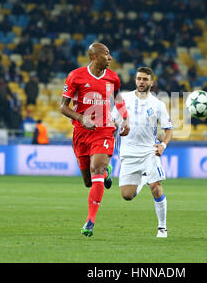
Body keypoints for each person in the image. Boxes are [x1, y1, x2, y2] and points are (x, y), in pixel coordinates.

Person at [60, 43, 130, 237]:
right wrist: (81, 118)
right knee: (88, 181)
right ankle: (106, 172)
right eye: (107, 54)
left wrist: (125, 118)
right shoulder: (76, 76)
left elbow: (118, 100)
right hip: (81, 132)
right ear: (95, 56)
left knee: (96, 169)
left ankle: (90, 221)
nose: (110, 57)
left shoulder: (113, 77)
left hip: (104, 129)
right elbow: (63, 107)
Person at [112, 67, 173, 238]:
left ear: (151, 82)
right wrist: (115, 127)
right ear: (135, 80)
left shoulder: (158, 104)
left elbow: (168, 129)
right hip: (128, 153)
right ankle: (144, 178)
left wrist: (163, 145)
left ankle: (162, 228)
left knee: (156, 188)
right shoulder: (123, 98)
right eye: (139, 78)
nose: (141, 82)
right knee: (127, 195)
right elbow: (112, 121)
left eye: (145, 79)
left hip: (149, 152)